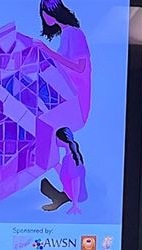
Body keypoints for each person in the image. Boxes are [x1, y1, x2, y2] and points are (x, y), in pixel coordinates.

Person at [36, 0, 92, 129]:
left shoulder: (74, 33)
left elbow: (80, 68)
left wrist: (49, 52)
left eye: (44, 12)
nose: (43, 16)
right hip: (65, 95)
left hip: (75, 102)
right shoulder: (66, 33)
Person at [41, 127, 87, 213]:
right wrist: (55, 164)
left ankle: (59, 200)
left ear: (62, 140)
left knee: (44, 185)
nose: (56, 140)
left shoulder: (71, 159)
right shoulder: (70, 156)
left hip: (72, 196)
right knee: (44, 184)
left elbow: (76, 180)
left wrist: (75, 204)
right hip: (72, 193)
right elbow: (65, 174)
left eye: (57, 138)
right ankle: (59, 200)